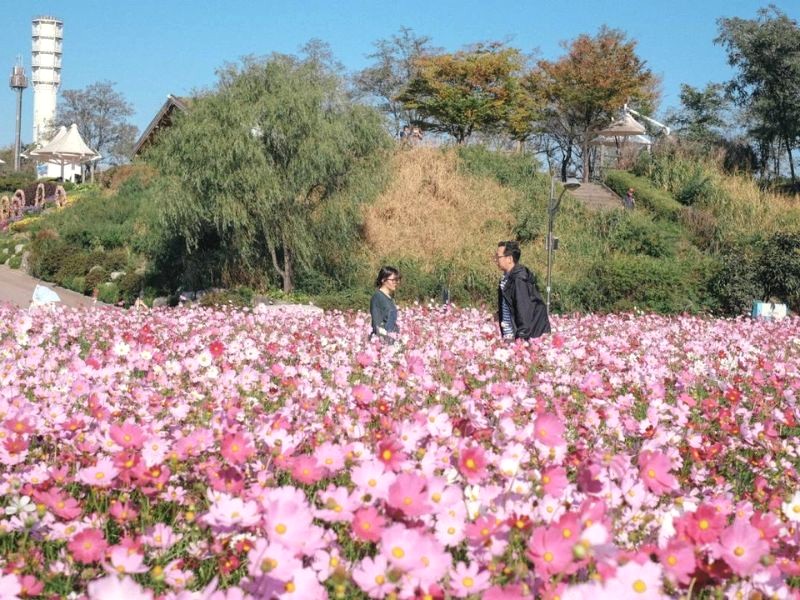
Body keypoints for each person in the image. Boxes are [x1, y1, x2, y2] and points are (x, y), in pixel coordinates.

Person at [494, 241, 550, 340]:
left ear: (509, 259)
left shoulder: (519, 280)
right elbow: (511, 304)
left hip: (519, 337)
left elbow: (523, 310)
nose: (495, 259)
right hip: (510, 334)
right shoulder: (506, 278)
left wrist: (521, 339)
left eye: (498, 257)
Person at [370, 266, 401, 342]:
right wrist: (386, 342)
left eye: (397, 280)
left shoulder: (389, 298)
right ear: (383, 280)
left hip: (392, 339)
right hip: (384, 341)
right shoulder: (377, 297)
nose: (396, 282)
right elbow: (377, 324)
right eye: (393, 280)